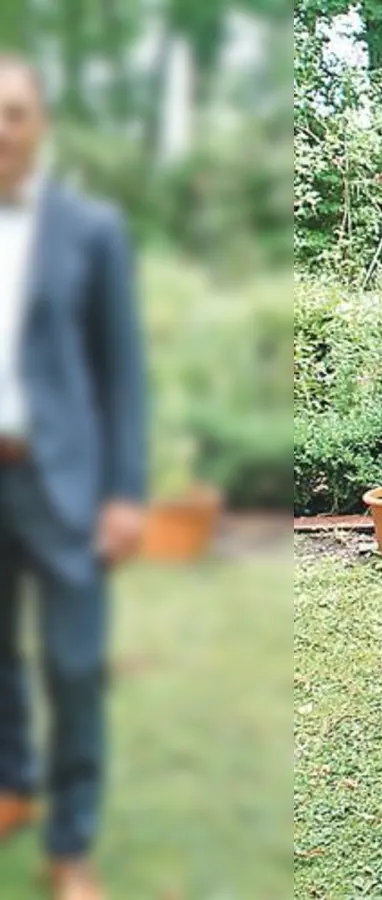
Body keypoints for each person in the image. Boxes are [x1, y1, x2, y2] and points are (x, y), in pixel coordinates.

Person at [0, 54, 147, 900]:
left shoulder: (89, 231)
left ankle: (72, 842)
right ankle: (15, 783)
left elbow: (122, 373)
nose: (3, 128)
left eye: (16, 112)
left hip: (64, 483)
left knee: (75, 664)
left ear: (40, 124)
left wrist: (125, 492)